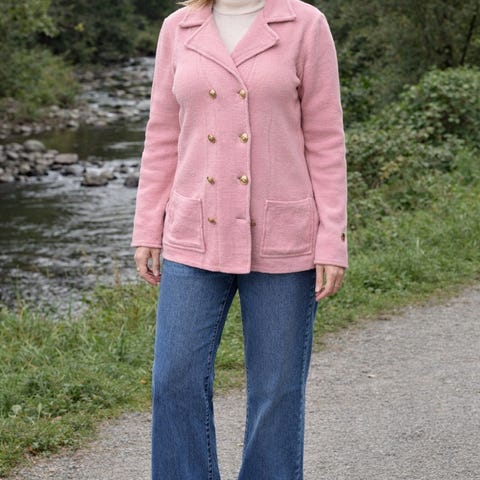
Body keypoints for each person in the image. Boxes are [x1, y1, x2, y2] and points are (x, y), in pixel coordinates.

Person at [132, 0, 348, 478]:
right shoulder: (178, 27)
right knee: (174, 380)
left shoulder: (304, 24)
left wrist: (331, 237)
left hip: (282, 236)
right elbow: (162, 135)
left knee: (276, 391)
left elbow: (325, 138)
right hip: (193, 233)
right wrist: (148, 225)